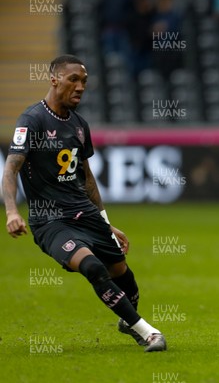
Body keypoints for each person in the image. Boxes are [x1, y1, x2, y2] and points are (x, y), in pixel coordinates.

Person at [2, 55, 167, 352]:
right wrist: (12, 211)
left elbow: (86, 177)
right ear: (54, 80)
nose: (80, 87)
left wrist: (106, 222)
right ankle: (147, 331)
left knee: (122, 273)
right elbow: (11, 168)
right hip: (51, 221)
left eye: (84, 82)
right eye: (73, 79)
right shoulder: (32, 120)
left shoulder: (79, 125)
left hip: (86, 213)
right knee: (92, 267)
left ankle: (126, 320)